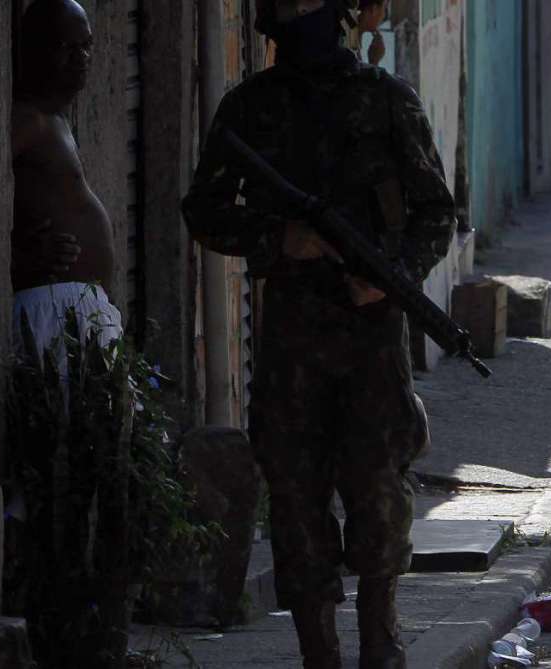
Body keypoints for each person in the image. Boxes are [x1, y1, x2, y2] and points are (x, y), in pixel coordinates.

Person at [181, 1, 455, 666]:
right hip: (292, 334)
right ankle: (318, 649)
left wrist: (392, 277)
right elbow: (205, 210)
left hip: (371, 334)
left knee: (378, 486)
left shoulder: (387, 102)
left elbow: (435, 212)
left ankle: (380, 635)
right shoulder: (251, 108)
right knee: (296, 494)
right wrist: (282, 239)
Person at [12, 0, 122, 359]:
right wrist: (21, 259)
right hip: (52, 315)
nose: (82, 57)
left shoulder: (55, 121)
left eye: (86, 45)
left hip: (74, 317)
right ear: (36, 50)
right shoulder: (28, 121)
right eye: (66, 47)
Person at [357, 0, 388, 66]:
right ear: (374, 9)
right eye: (384, 9)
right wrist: (374, 62)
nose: (383, 16)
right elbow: (354, 75)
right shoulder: (349, 40)